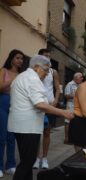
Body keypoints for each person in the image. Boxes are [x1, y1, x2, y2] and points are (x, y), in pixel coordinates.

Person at [7, 55, 73, 180]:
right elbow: (39, 104)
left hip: (21, 125)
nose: (47, 74)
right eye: (46, 70)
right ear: (36, 67)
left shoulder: (22, 76)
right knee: (27, 162)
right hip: (28, 126)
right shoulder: (32, 78)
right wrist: (63, 113)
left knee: (27, 160)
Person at [33, 48, 60, 169]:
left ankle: (44, 158)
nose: (48, 58)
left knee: (47, 132)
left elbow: (57, 88)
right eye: (45, 56)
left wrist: (56, 100)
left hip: (49, 105)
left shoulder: (53, 72)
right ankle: (36, 158)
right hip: (37, 105)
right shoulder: (35, 69)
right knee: (36, 133)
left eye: (49, 56)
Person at [0, 49, 24, 178]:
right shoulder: (3, 71)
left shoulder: (23, 74)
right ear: (11, 59)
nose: (20, 61)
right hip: (3, 102)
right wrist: (14, 79)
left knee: (12, 136)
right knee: (1, 137)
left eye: (21, 59)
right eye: (17, 58)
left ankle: (10, 165)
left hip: (16, 104)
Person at [64, 72, 83, 144]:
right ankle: (67, 138)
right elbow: (66, 95)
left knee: (77, 121)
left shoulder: (82, 85)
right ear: (76, 78)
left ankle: (74, 137)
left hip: (79, 106)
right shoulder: (69, 84)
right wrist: (76, 96)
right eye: (80, 77)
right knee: (68, 121)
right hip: (71, 105)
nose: (82, 78)